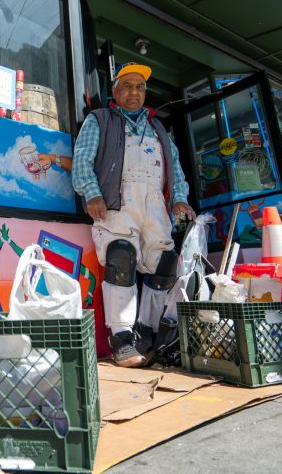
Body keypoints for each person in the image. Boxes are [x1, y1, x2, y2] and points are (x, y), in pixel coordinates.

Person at [72, 62, 195, 367]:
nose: (134, 92)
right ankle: (122, 338)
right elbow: (82, 161)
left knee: (165, 264)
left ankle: (147, 332)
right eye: (127, 85)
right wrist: (92, 192)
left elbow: (176, 172)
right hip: (118, 201)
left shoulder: (159, 129)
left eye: (140, 87)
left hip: (154, 205)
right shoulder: (100, 119)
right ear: (114, 91)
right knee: (121, 257)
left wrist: (180, 199)